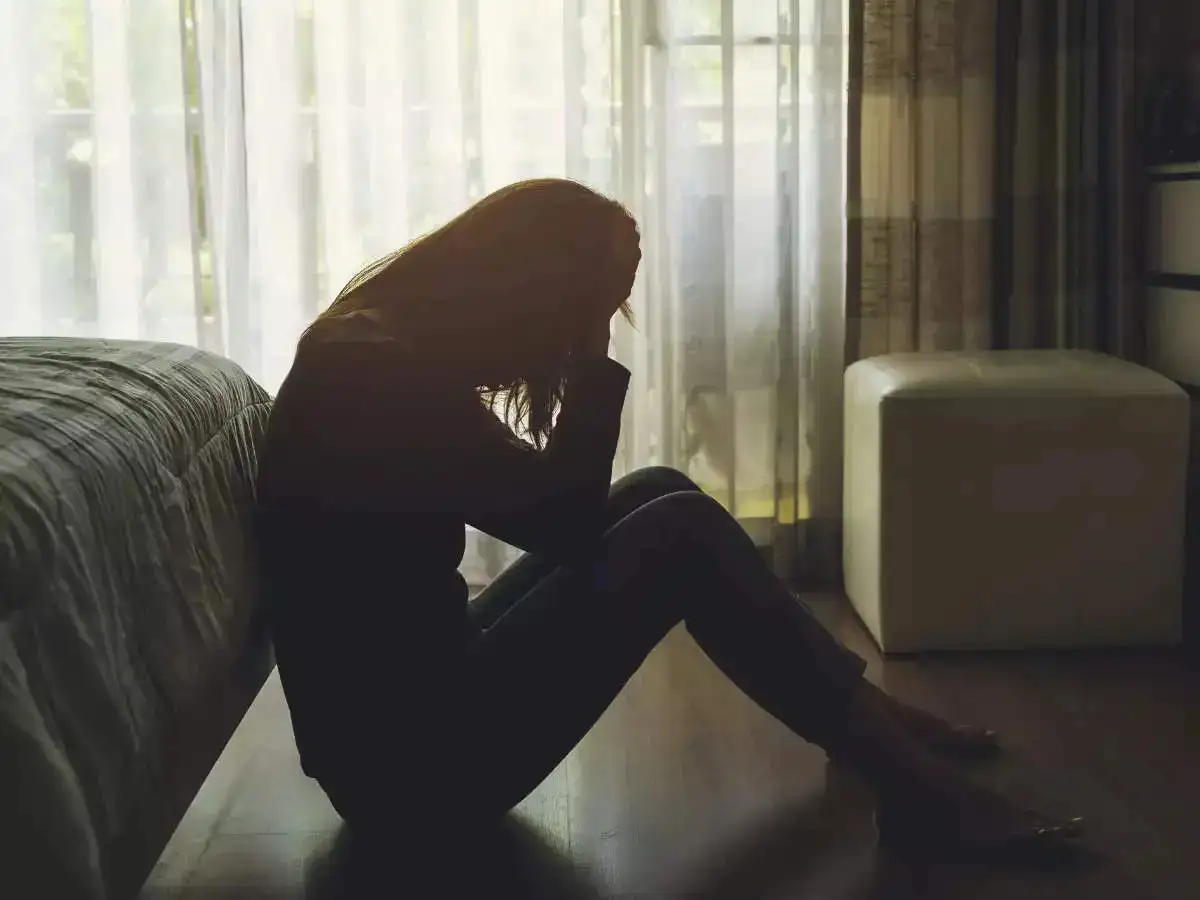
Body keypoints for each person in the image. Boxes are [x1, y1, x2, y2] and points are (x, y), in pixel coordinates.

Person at [254, 178, 1082, 862]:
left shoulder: (373, 346)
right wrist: (589, 348)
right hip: (415, 775)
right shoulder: (376, 372)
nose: (597, 326)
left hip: (399, 728)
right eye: (595, 305)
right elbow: (564, 522)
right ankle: (916, 790)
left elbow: (547, 510)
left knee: (657, 488)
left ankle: (868, 728)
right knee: (677, 533)